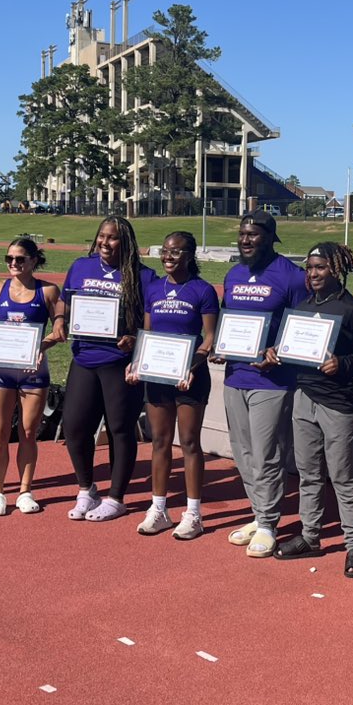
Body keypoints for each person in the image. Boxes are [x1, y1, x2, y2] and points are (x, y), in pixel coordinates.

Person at [269, 242, 353, 577]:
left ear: (337, 269)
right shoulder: (301, 307)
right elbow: (290, 349)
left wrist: (343, 362)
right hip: (305, 396)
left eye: (321, 267)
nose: (313, 274)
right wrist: (275, 352)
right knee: (308, 473)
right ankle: (310, 536)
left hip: (339, 402)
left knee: (344, 476)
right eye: (310, 268)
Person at [214, 210, 308, 558]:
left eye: (253, 234)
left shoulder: (292, 276)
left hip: (272, 380)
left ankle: (269, 523)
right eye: (242, 234)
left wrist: (279, 350)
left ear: (270, 237)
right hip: (235, 375)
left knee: (267, 453)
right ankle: (259, 514)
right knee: (243, 451)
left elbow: (303, 326)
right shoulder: (234, 274)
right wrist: (221, 345)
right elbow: (226, 317)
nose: (245, 240)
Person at [57, 216, 157, 522]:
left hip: (119, 362)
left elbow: (152, 321)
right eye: (102, 236)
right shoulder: (80, 266)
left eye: (112, 237)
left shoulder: (143, 275)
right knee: (74, 427)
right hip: (85, 357)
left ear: (125, 242)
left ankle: (116, 497)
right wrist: (60, 320)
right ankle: (87, 489)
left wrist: (136, 337)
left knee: (119, 429)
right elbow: (64, 302)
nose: (105, 242)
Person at [128, 231, 218, 540]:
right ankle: (159, 509)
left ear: (190, 256)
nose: (168, 257)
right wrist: (137, 362)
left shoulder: (203, 290)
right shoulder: (154, 288)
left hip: (190, 377)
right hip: (158, 376)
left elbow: (210, 337)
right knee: (160, 442)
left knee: (189, 442)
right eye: (165, 251)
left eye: (175, 252)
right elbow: (147, 334)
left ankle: (193, 514)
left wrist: (193, 365)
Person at [0, 237, 64, 517]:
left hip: (34, 372)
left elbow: (60, 330)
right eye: (9, 259)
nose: (13, 263)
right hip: (1, 371)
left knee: (28, 432)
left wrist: (41, 347)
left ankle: (25, 491)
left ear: (33, 261)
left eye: (19, 259)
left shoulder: (48, 291)